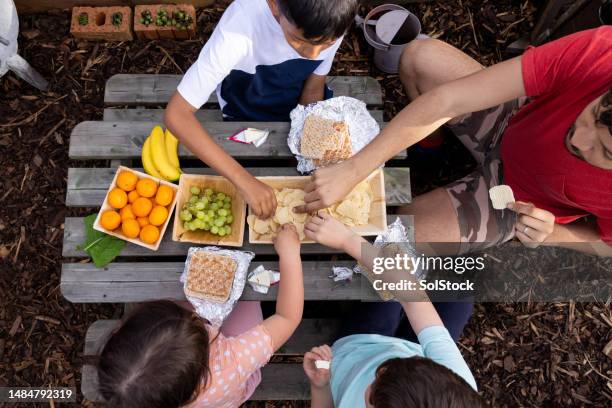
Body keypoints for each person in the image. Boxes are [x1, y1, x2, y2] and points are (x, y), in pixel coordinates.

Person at [297, 27, 612, 256]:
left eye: (605, 151)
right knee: (420, 56)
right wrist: (353, 170)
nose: (577, 139)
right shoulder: (604, 51)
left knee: (396, 240)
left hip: (516, 203)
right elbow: (450, 99)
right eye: (594, 113)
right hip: (512, 118)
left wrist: (552, 233)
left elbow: (604, 245)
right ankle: (430, 148)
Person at [164, 0, 358, 219]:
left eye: (327, 44)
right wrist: (243, 180)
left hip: (293, 98)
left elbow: (314, 85)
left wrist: (313, 152)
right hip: (246, 104)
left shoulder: (331, 17)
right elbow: (176, 114)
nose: (312, 55)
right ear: (274, 5)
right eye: (298, 40)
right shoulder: (237, 32)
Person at [96, 224, 303, 408]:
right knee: (247, 301)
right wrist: (290, 254)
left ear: (117, 332)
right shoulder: (233, 362)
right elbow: (287, 317)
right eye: (194, 318)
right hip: (234, 384)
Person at [303, 213, 484, 408]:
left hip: (358, 349)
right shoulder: (455, 389)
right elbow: (413, 299)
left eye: (372, 385)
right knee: (459, 289)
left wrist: (320, 386)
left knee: (384, 300)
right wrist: (347, 240)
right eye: (385, 370)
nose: (378, 372)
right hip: (415, 351)